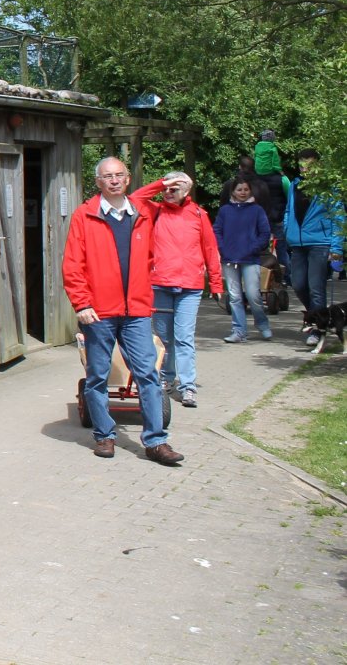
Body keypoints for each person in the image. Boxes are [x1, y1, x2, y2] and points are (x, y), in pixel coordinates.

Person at [63, 157, 184, 465]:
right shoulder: (85, 215)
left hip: (137, 310)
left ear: (128, 179)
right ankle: (105, 435)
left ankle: (156, 442)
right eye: (107, 176)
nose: (114, 180)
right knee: (98, 376)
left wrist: (170, 184)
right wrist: (82, 303)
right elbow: (73, 264)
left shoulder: (143, 212)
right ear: (98, 182)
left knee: (147, 374)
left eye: (119, 175)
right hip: (99, 311)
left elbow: (176, 201)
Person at [138, 172, 222, 408]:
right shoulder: (155, 210)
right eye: (166, 188)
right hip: (160, 283)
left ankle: (188, 387)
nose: (168, 192)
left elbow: (210, 247)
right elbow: (135, 198)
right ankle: (165, 380)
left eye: (174, 189)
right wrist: (160, 184)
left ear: (186, 191)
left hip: (190, 286)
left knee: (184, 337)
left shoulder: (198, 214)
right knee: (164, 339)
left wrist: (216, 283)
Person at [284, 149, 345, 345]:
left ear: (318, 164)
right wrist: (287, 230)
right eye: (302, 165)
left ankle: (318, 331)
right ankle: (320, 316)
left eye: (309, 164)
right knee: (298, 284)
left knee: (316, 287)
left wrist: (336, 248)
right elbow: (288, 210)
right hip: (298, 243)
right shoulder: (295, 185)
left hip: (320, 243)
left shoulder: (327, 186)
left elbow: (338, 216)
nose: (305, 169)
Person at [215, 174, 273, 343]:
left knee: (254, 295)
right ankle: (239, 330)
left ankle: (262, 323)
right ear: (232, 192)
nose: (243, 192)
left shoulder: (257, 210)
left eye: (246, 189)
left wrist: (253, 248)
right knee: (234, 297)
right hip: (229, 259)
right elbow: (217, 230)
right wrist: (223, 248)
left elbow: (264, 233)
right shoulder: (225, 210)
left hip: (250, 259)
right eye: (239, 189)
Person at [253, 132, 288, 271]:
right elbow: (289, 198)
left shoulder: (254, 181)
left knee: (262, 249)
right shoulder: (282, 180)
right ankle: (286, 277)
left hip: (260, 219)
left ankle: (263, 276)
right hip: (277, 217)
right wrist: (279, 171)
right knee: (281, 250)